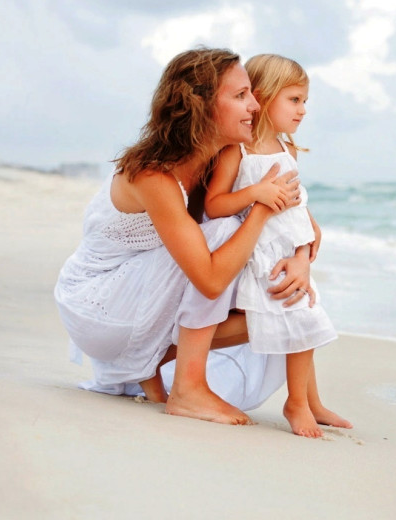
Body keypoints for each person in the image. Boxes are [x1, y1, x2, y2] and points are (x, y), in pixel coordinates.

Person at [54, 47, 316, 427]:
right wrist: (261, 208)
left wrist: (302, 257)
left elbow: (301, 222)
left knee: (280, 300)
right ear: (203, 105)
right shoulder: (153, 174)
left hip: (143, 295)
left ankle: (151, 365)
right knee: (229, 232)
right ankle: (188, 387)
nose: (256, 105)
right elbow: (209, 280)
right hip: (96, 304)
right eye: (241, 95)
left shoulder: (222, 159)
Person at [205, 54, 351, 438]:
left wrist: (304, 253)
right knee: (301, 318)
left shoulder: (286, 149)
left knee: (305, 322)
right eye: (295, 100)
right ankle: (297, 404)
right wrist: (255, 193)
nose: (303, 110)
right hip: (258, 256)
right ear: (265, 96)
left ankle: (310, 402)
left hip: (288, 254)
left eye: (305, 102)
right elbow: (215, 203)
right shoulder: (240, 150)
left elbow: (298, 208)